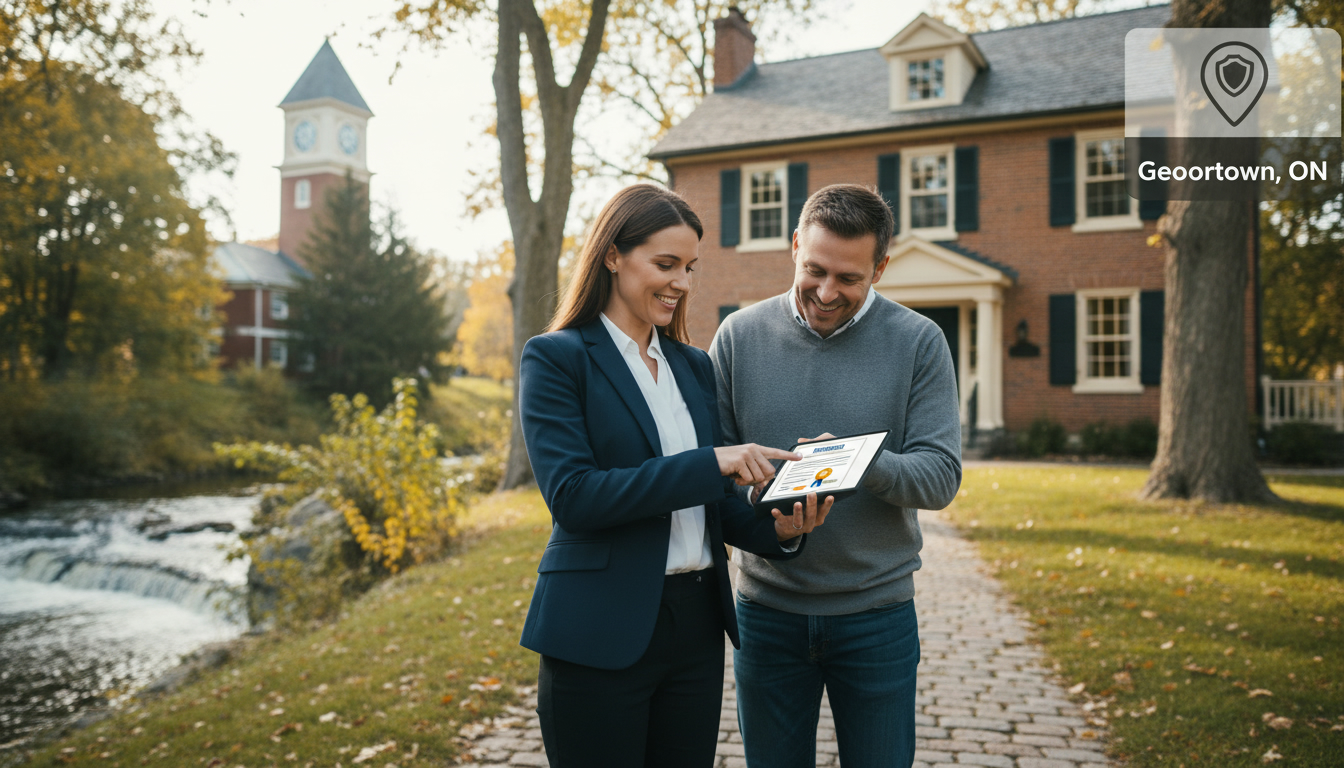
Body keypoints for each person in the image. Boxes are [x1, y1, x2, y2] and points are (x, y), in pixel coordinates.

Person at [517, 183, 834, 768]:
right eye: (665, 264)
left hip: (695, 630)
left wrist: (783, 527)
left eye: (689, 267)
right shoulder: (557, 358)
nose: (682, 283)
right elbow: (574, 497)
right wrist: (711, 462)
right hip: (597, 629)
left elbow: (712, 505)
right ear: (613, 254)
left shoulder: (693, 364)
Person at [709, 183, 962, 768]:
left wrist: (856, 461)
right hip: (766, 614)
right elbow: (716, 469)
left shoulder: (920, 342)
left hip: (877, 616)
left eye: (849, 278)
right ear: (795, 245)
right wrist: (762, 492)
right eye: (814, 269)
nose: (827, 292)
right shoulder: (737, 337)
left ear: (880, 268)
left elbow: (941, 476)